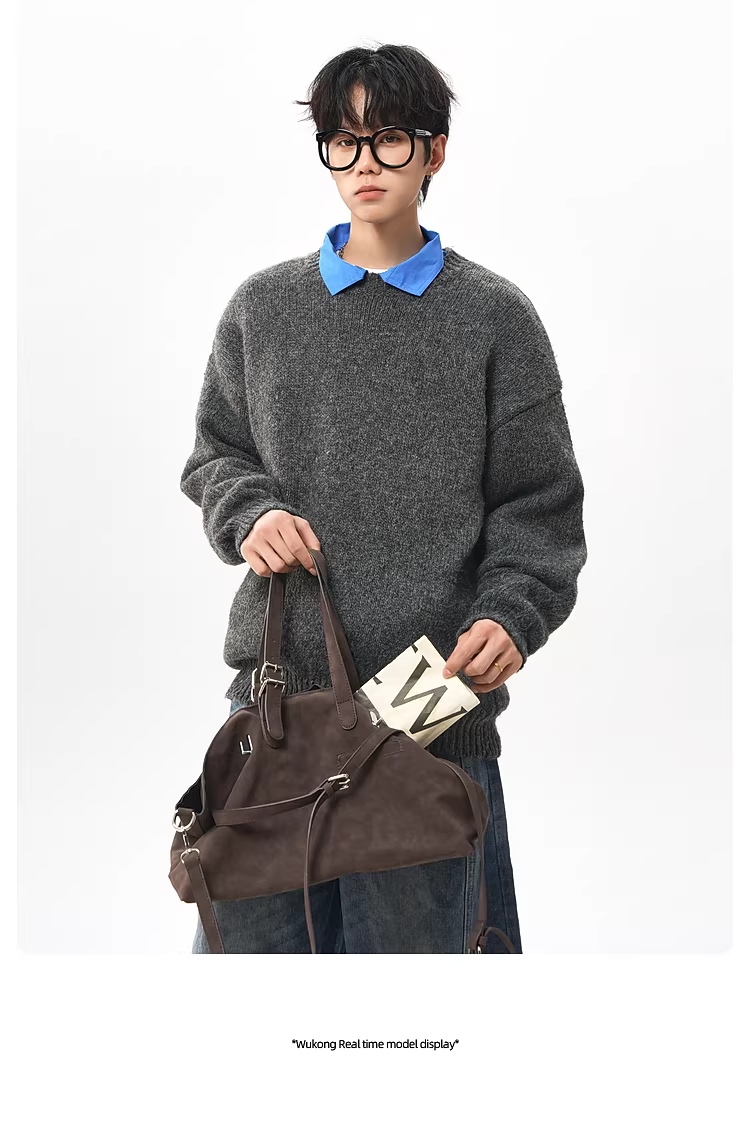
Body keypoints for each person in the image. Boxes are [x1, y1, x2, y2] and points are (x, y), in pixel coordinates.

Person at [179, 43, 587, 953]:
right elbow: (216, 454)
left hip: (431, 719)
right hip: (278, 716)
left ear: (435, 151)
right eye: (344, 141)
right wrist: (251, 512)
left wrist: (512, 616)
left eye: (390, 138)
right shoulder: (263, 309)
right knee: (251, 992)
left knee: (422, 1001)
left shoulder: (494, 317)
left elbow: (540, 506)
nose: (365, 163)